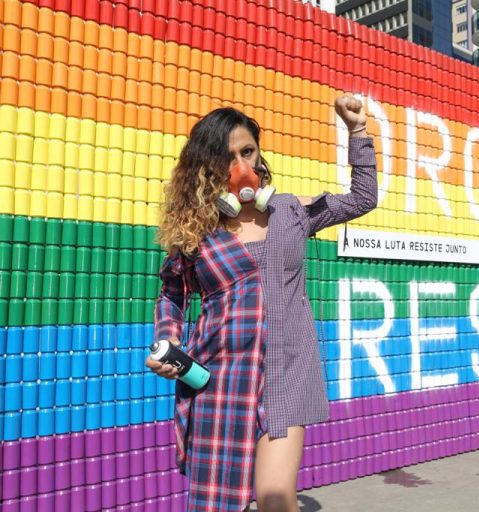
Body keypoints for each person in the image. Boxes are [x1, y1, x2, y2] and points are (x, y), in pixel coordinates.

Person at [145, 94, 377, 512]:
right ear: (206, 167)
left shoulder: (291, 211)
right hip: (219, 378)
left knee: (275, 499)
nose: (240, 166)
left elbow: (363, 197)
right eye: (227, 157)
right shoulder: (197, 232)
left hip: (287, 372)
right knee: (215, 504)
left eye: (247, 151)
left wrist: (357, 129)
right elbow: (172, 293)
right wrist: (168, 338)